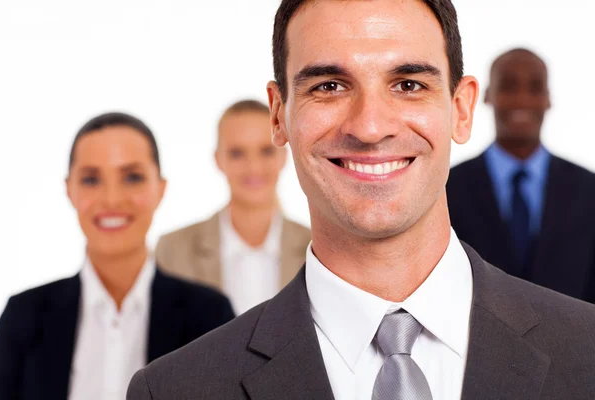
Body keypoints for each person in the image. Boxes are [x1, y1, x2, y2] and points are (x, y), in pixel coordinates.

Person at [128, 1, 595, 399]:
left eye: (408, 84)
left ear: (462, 109)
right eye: (329, 86)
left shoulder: (587, 352)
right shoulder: (175, 389)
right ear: (278, 115)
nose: (370, 127)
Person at [0, 112, 234, 400]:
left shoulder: (209, 317)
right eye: (91, 179)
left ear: (160, 189)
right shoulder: (24, 316)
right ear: (69, 190)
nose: (111, 199)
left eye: (132, 177)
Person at [447, 49, 595, 302]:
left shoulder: (588, 190)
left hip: (573, 339)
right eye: (509, 86)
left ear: (548, 99)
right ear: (486, 96)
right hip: (476, 339)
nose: (522, 99)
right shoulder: (447, 188)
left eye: (535, 88)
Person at [155, 99, 310, 315]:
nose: (253, 167)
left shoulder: (317, 250)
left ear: (283, 156)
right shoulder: (174, 250)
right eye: (237, 153)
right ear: (218, 160)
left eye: (266, 151)